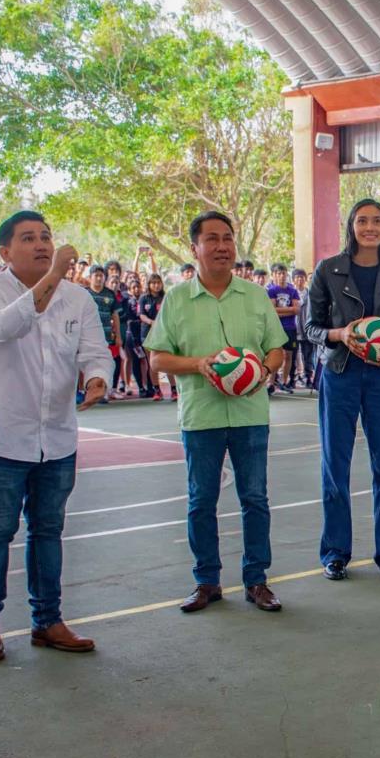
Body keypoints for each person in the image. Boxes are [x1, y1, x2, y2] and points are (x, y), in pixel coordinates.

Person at [0, 210, 112, 662]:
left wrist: (97, 378)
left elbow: (95, 351)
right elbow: (5, 327)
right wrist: (50, 277)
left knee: (48, 530)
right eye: (28, 238)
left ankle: (47, 621)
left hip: (58, 436)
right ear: (6, 252)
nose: (41, 243)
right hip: (2, 434)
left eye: (46, 236)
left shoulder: (79, 299)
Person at [144, 211, 288, 614]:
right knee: (201, 501)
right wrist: (199, 364)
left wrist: (266, 368)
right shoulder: (176, 299)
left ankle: (257, 580)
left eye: (227, 238)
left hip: (250, 415)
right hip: (201, 417)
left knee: (255, 499)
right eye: (212, 239)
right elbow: (157, 359)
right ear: (196, 248)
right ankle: (207, 581)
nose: (222, 246)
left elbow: (276, 347)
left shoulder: (255, 296)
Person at [305, 198, 380, 583]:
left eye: (377, 221)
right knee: (336, 465)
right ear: (351, 225)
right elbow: (311, 327)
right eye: (363, 220)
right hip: (340, 373)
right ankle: (336, 552)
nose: (370, 227)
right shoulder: (328, 270)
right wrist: (341, 334)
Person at [85, 265, 121, 403]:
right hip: (88, 337)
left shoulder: (110, 294)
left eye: (101, 275)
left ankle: (103, 392)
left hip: (106, 337)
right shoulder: (84, 293)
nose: (99, 278)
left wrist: (118, 335)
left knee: (104, 365)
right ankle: (89, 391)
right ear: (90, 277)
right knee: (90, 365)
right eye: (96, 275)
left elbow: (115, 315)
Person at [267, 263, 301, 393]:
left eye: (284, 273)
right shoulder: (271, 291)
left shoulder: (292, 291)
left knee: (288, 355)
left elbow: (297, 310)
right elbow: (272, 310)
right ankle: (271, 382)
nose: (282, 276)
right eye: (279, 273)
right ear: (274, 275)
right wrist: (289, 309)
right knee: (276, 353)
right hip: (276, 327)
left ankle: (284, 381)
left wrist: (282, 310)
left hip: (290, 327)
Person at [138, 273, 171, 400]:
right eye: (153, 283)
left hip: (164, 333)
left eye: (158, 283)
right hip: (147, 334)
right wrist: (152, 322)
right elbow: (141, 315)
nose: (156, 285)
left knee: (168, 362)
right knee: (152, 363)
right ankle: (157, 390)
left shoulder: (166, 297)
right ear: (149, 284)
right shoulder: (143, 298)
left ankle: (173, 390)